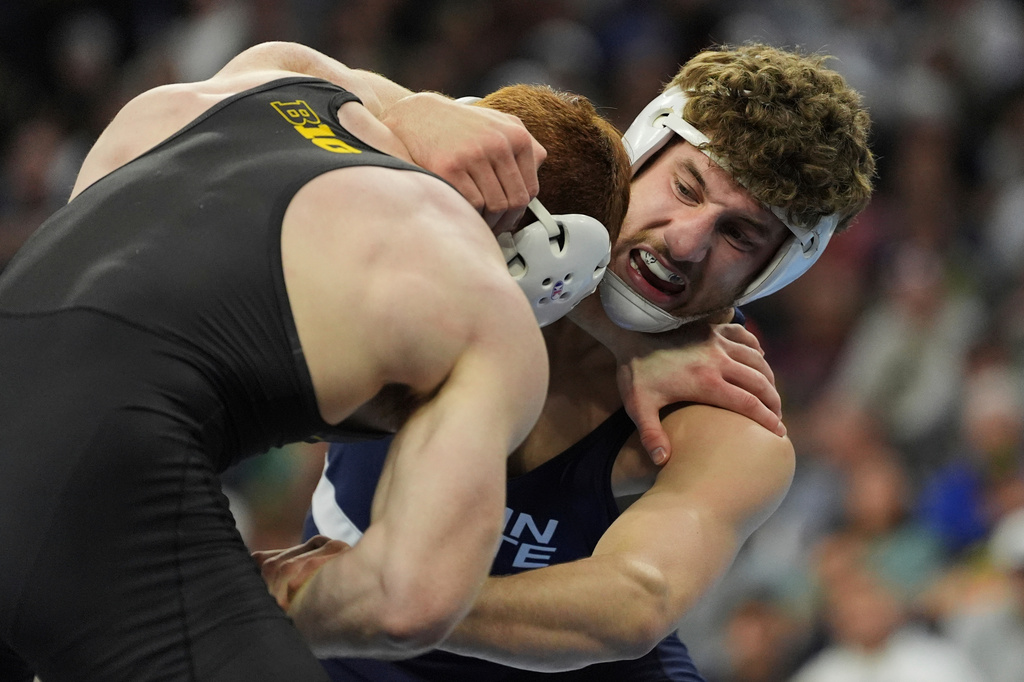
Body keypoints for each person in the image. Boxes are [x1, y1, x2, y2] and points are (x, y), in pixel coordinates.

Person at [0, 42, 634, 682]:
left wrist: (413, 107)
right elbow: (407, 604)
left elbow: (289, 54)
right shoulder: (481, 303)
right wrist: (282, 596)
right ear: (544, 262)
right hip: (103, 482)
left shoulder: (255, 90)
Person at [269, 43, 876, 679]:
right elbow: (278, 69)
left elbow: (633, 604)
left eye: (739, 235)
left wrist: (381, 601)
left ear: (774, 273)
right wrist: (413, 111)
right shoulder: (512, 189)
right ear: (639, 151)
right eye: (687, 187)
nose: (686, 241)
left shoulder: (729, 417)